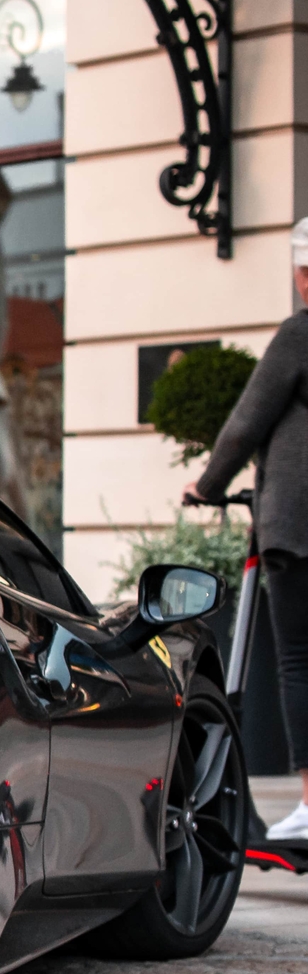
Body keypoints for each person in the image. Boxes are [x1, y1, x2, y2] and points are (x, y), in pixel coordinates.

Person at [188, 217, 308, 839]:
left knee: (298, 659)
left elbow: (245, 424)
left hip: (298, 531)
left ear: (302, 273)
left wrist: (206, 486)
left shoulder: (299, 334)